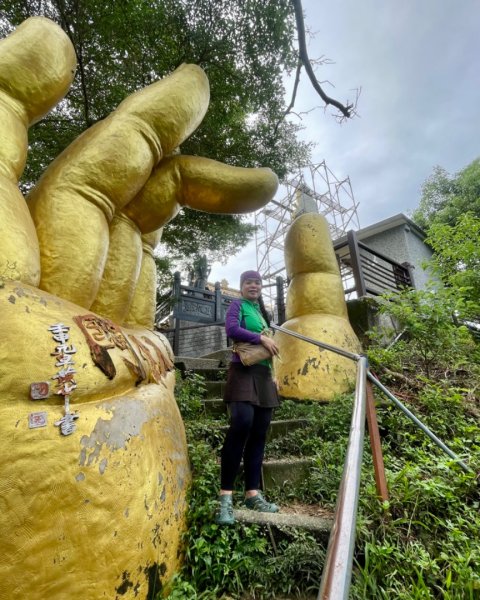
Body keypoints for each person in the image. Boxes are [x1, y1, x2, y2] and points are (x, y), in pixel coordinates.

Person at [216, 270, 280, 526]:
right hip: (242, 370)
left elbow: (271, 349)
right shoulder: (237, 305)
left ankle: (252, 493)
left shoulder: (263, 313)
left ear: (261, 287)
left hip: (264, 375)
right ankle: (225, 497)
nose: (253, 285)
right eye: (248, 282)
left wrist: (275, 374)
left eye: (257, 282)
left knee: (259, 432)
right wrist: (259, 337)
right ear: (241, 287)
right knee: (241, 423)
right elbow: (231, 329)